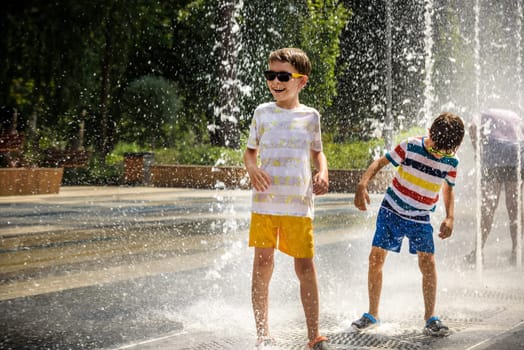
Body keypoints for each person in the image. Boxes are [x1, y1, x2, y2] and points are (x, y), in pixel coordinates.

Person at [244, 48, 331, 350]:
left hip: (298, 205)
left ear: (301, 81)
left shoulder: (310, 117)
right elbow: (250, 151)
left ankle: (314, 335)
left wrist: (322, 172)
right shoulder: (261, 113)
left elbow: (318, 151)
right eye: (270, 75)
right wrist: (252, 168)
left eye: (283, 76)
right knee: (262, 265)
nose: (275, 82)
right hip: (265, 203)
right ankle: (262, 332)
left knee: (305, 267)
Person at [351, 112, 465, 337]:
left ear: (455, 147)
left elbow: (448, 187)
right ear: (429, 133)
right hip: (391, 209)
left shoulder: (451, 161)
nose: (437, 154)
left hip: (420, 218)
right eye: (434, 148)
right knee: (376, 257)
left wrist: (450, 217)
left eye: (444, 152)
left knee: (428, 262)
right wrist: (363, 183)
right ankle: (372, 314)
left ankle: (430, 318)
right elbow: (380, 162)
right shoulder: (410, 146)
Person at [466, 109, 523, 266]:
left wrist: (477, 150)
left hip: (495, 153)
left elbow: (472, 127)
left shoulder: (481, 113)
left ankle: (478, 252)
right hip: (516, 151)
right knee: (515, 207)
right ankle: (516, 252)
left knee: (488, 207)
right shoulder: (514, 116)